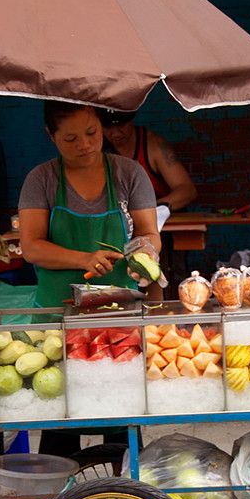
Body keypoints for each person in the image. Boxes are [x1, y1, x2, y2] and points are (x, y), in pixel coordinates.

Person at [19, 100, 160, 457]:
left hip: (116, 317)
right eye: (70, 138)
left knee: (120, 417)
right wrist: (84, 258)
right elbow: (32, 246)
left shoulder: (128, 173)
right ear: (50, 137)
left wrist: (143, 254)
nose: (84, 144)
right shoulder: (42, 179)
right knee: (58, 417)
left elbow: (148, 232)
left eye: (91, 133)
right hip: (57, 316)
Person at [99, 109, 197, 299]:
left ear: (132, 120)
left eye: (121, 125)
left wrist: (153, 207)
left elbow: (187, 190)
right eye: (108, 127)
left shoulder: (153, 145)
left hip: (161, 230)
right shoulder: (101, 151)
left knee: (163, 279)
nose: (116, 133)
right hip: (122, 233)